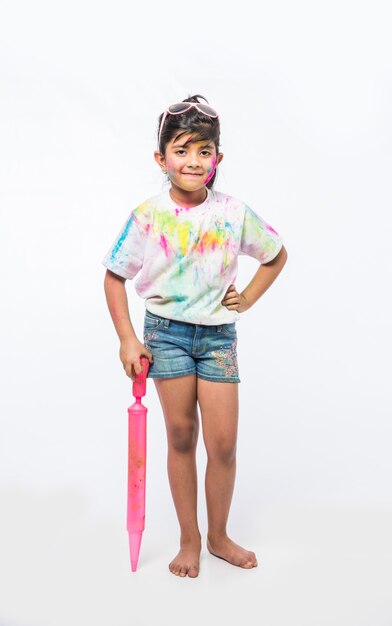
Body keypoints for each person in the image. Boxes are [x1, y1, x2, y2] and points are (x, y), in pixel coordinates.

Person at [102, 94, 288, 578]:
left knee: (223, 443)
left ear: (218, 160)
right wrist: (128, 338)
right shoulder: (148, 215)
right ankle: (190, 539)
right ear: (161, 159)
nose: (193, 161)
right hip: (165, 337)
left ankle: (219, 535)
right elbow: (113, 276)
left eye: (204, 151)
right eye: (182, 150)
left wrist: (245, 298)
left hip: (218, 339)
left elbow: (275, 255)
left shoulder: (232, 212)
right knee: (182, 435)